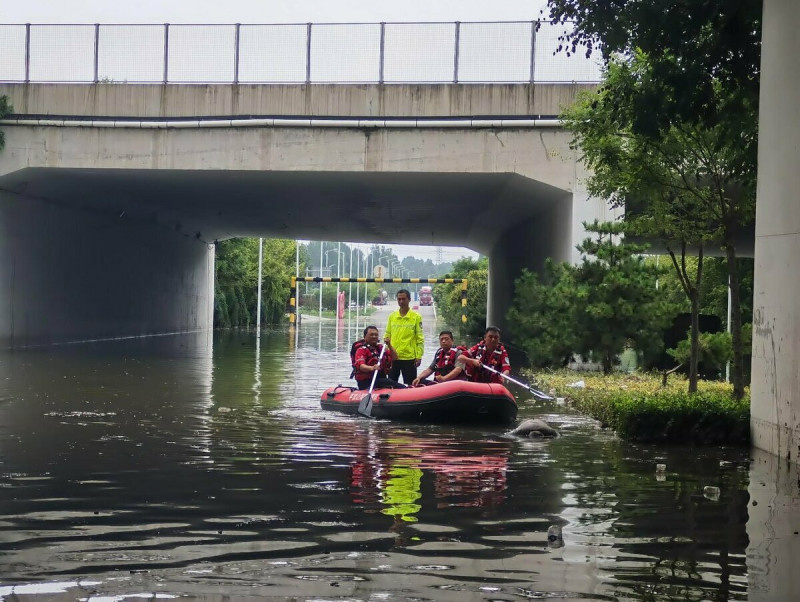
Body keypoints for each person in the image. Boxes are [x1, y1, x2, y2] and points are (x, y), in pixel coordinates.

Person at [384, 289, 424, 385]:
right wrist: (386, 353)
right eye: (399, 299)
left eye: (403, 299)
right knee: (390, 384)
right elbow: (387, 334)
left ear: (409, 299)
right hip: (393, 357)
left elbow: (420, 338)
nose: (401, 301)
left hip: (409, 358)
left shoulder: (416, 317)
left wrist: (419, 356)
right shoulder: (392, 316)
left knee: (411, 384)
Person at [353, 325, 405, 390]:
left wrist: (389, 345)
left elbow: (395, 357)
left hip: (380, 379)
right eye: (371, 335)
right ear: (365, 337)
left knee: (388, 381)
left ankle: (406, 390)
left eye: (376, 335)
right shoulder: (361, 350)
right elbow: (361, 366)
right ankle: (405, 389)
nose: (374, 337)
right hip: (367, 382)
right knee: (389, 382)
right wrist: (372, 368)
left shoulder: (381, 348)